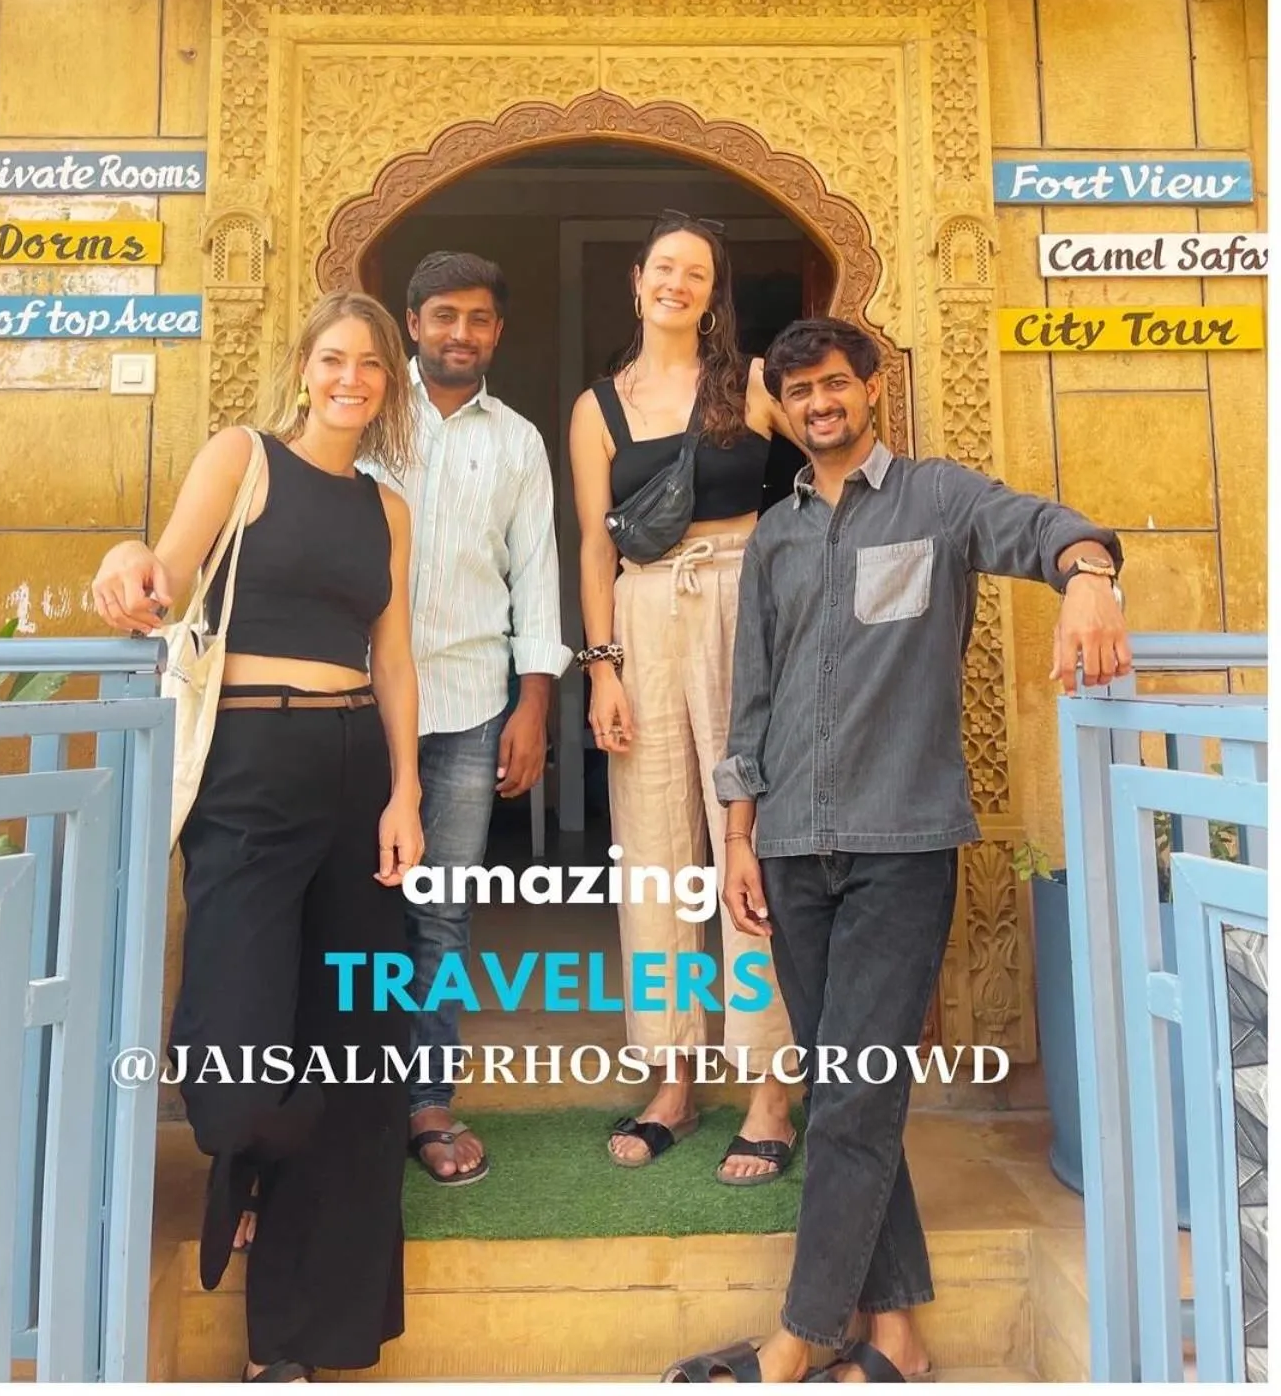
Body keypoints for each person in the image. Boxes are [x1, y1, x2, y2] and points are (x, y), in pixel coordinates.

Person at [667, 316, 1131, 1385]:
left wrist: (1092, 575)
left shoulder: (938, 498)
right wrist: (737, 836)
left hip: (900, 843)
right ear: (782, 407)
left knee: (851, 1092)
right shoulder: (776, 534)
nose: (820, 404)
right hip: (789, 846)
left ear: (871, 386)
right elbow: (755, 698)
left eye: (836, 384)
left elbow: (1044, 525)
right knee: (851, 1092)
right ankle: (898, 1338)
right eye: (801, 393)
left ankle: (798, 1335)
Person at [91, 290, 423, 1385]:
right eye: (335, 359)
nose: (352, 379)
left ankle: (303, 1343)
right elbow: (171, 574)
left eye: (372, 366)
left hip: (354, 766)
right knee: (236, 1031)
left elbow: (397, 659)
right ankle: (244, 1165)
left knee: (362, 1046)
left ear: (388, 384)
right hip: (246, 764)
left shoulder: (387, 508)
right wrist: (132, 556)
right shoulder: (243, 457)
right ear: (304, 365)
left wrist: (407, 791)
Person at [569, 210, 799, 1184]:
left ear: (713, 292)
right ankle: (673, 1077)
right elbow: (592, 542)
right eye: (663, 266)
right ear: (637, 278)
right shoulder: (596, 406)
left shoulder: (748, 383)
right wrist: (601, 665)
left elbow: (836, 467)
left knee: (749, 838)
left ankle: (769, 1092)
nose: (676, 283)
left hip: (743, 601)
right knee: (658, 853)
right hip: (642, 612)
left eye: (695, 273)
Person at [368, 251, 571, 1185]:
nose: (461, 333)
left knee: (440, 914)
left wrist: (533, 705)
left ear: (497, 331)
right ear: (410, 323)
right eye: (443, 314)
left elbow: (536, 575)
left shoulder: (520, 441)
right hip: (350, 704)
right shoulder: (364, 414)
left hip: (468, 709)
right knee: (341, 902)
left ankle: (426, 1101)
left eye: (479, 318)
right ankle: (337, 1103)